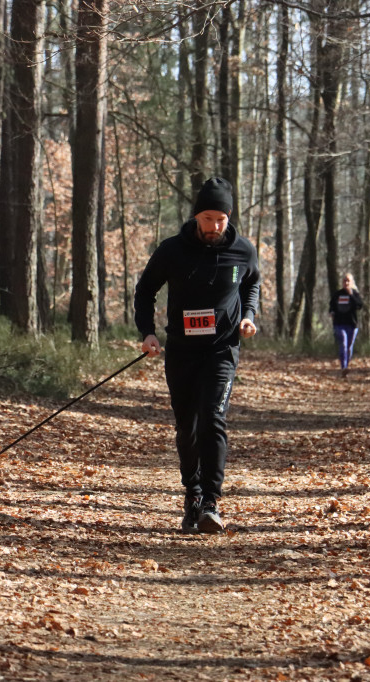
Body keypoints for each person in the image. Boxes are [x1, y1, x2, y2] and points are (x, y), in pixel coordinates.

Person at [134, 177, 261, 534]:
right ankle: (191, 492)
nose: (214, 227)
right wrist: (148, 334)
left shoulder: (243, 251)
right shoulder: (172, 250)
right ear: (196, 216)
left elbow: (252, 283)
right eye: (208, 218)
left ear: (229, 217)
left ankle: (211, 501)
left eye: (221, 219)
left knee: (212, 420)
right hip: (182, 352)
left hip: (221, 351)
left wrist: (249, 316)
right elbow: (145, 292)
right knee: (187, 426)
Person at [329, 273, 363, 378]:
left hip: (352, 324)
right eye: (344, 280)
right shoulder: (337, 294)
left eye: (348, 281)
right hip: (339, 323)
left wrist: (351, 295)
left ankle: (346, 365)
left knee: (349, 347)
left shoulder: (355, 294)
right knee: (343, 343)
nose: (346, 283)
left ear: (352, 282)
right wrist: (331, 312)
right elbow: (332, 307)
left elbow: (359, 305)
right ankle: (343, 367)